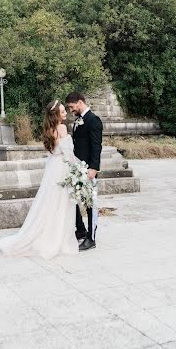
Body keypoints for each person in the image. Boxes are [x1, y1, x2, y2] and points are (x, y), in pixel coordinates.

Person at [0, 100, 79, 260]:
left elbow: (52, 153)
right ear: (56, 114)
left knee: (50, 202)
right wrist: (77, 170)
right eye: (63, 111)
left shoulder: (49, 130)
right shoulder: (62, 128)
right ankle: (59, 238)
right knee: (62, 203)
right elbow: (68, 154)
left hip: (53, 169)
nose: (65, 114)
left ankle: (46, 234)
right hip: (62, 168)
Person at [66, 91, 103, 251]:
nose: (70, 110)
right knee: (72, 199)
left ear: (80, 102)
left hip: (88, 170)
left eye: (72, 107)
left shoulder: (93, 120)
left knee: (90, 204)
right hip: (77, 170)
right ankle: (81, 231)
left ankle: (91, 239)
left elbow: (96, 147)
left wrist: (93, 169)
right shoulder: (78, 120)